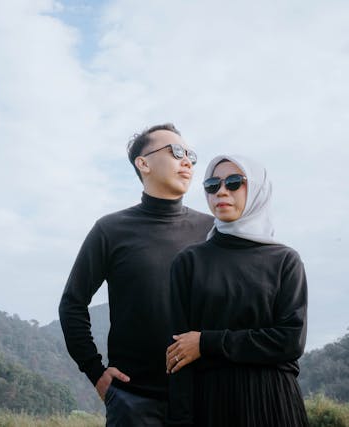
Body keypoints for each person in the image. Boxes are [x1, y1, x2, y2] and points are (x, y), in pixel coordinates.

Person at [59, 123, 213, 426]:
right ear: (143, 163)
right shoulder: (110, 230)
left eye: (190, 155)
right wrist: (95, 371)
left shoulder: (212, 230)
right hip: (133, 402)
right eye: (176, 152)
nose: (187, 161)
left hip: (205, 398)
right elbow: (72, 304)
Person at [165, 155, 309, 427]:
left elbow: (290, 341)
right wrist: (179, 421)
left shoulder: (284, 260)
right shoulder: (189, 262)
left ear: (257, 190)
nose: (221, 191)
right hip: (212, 405)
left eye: (233, 182)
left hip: (273, 403)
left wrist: (206, 343)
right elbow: (177, 355)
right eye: (212, 185)